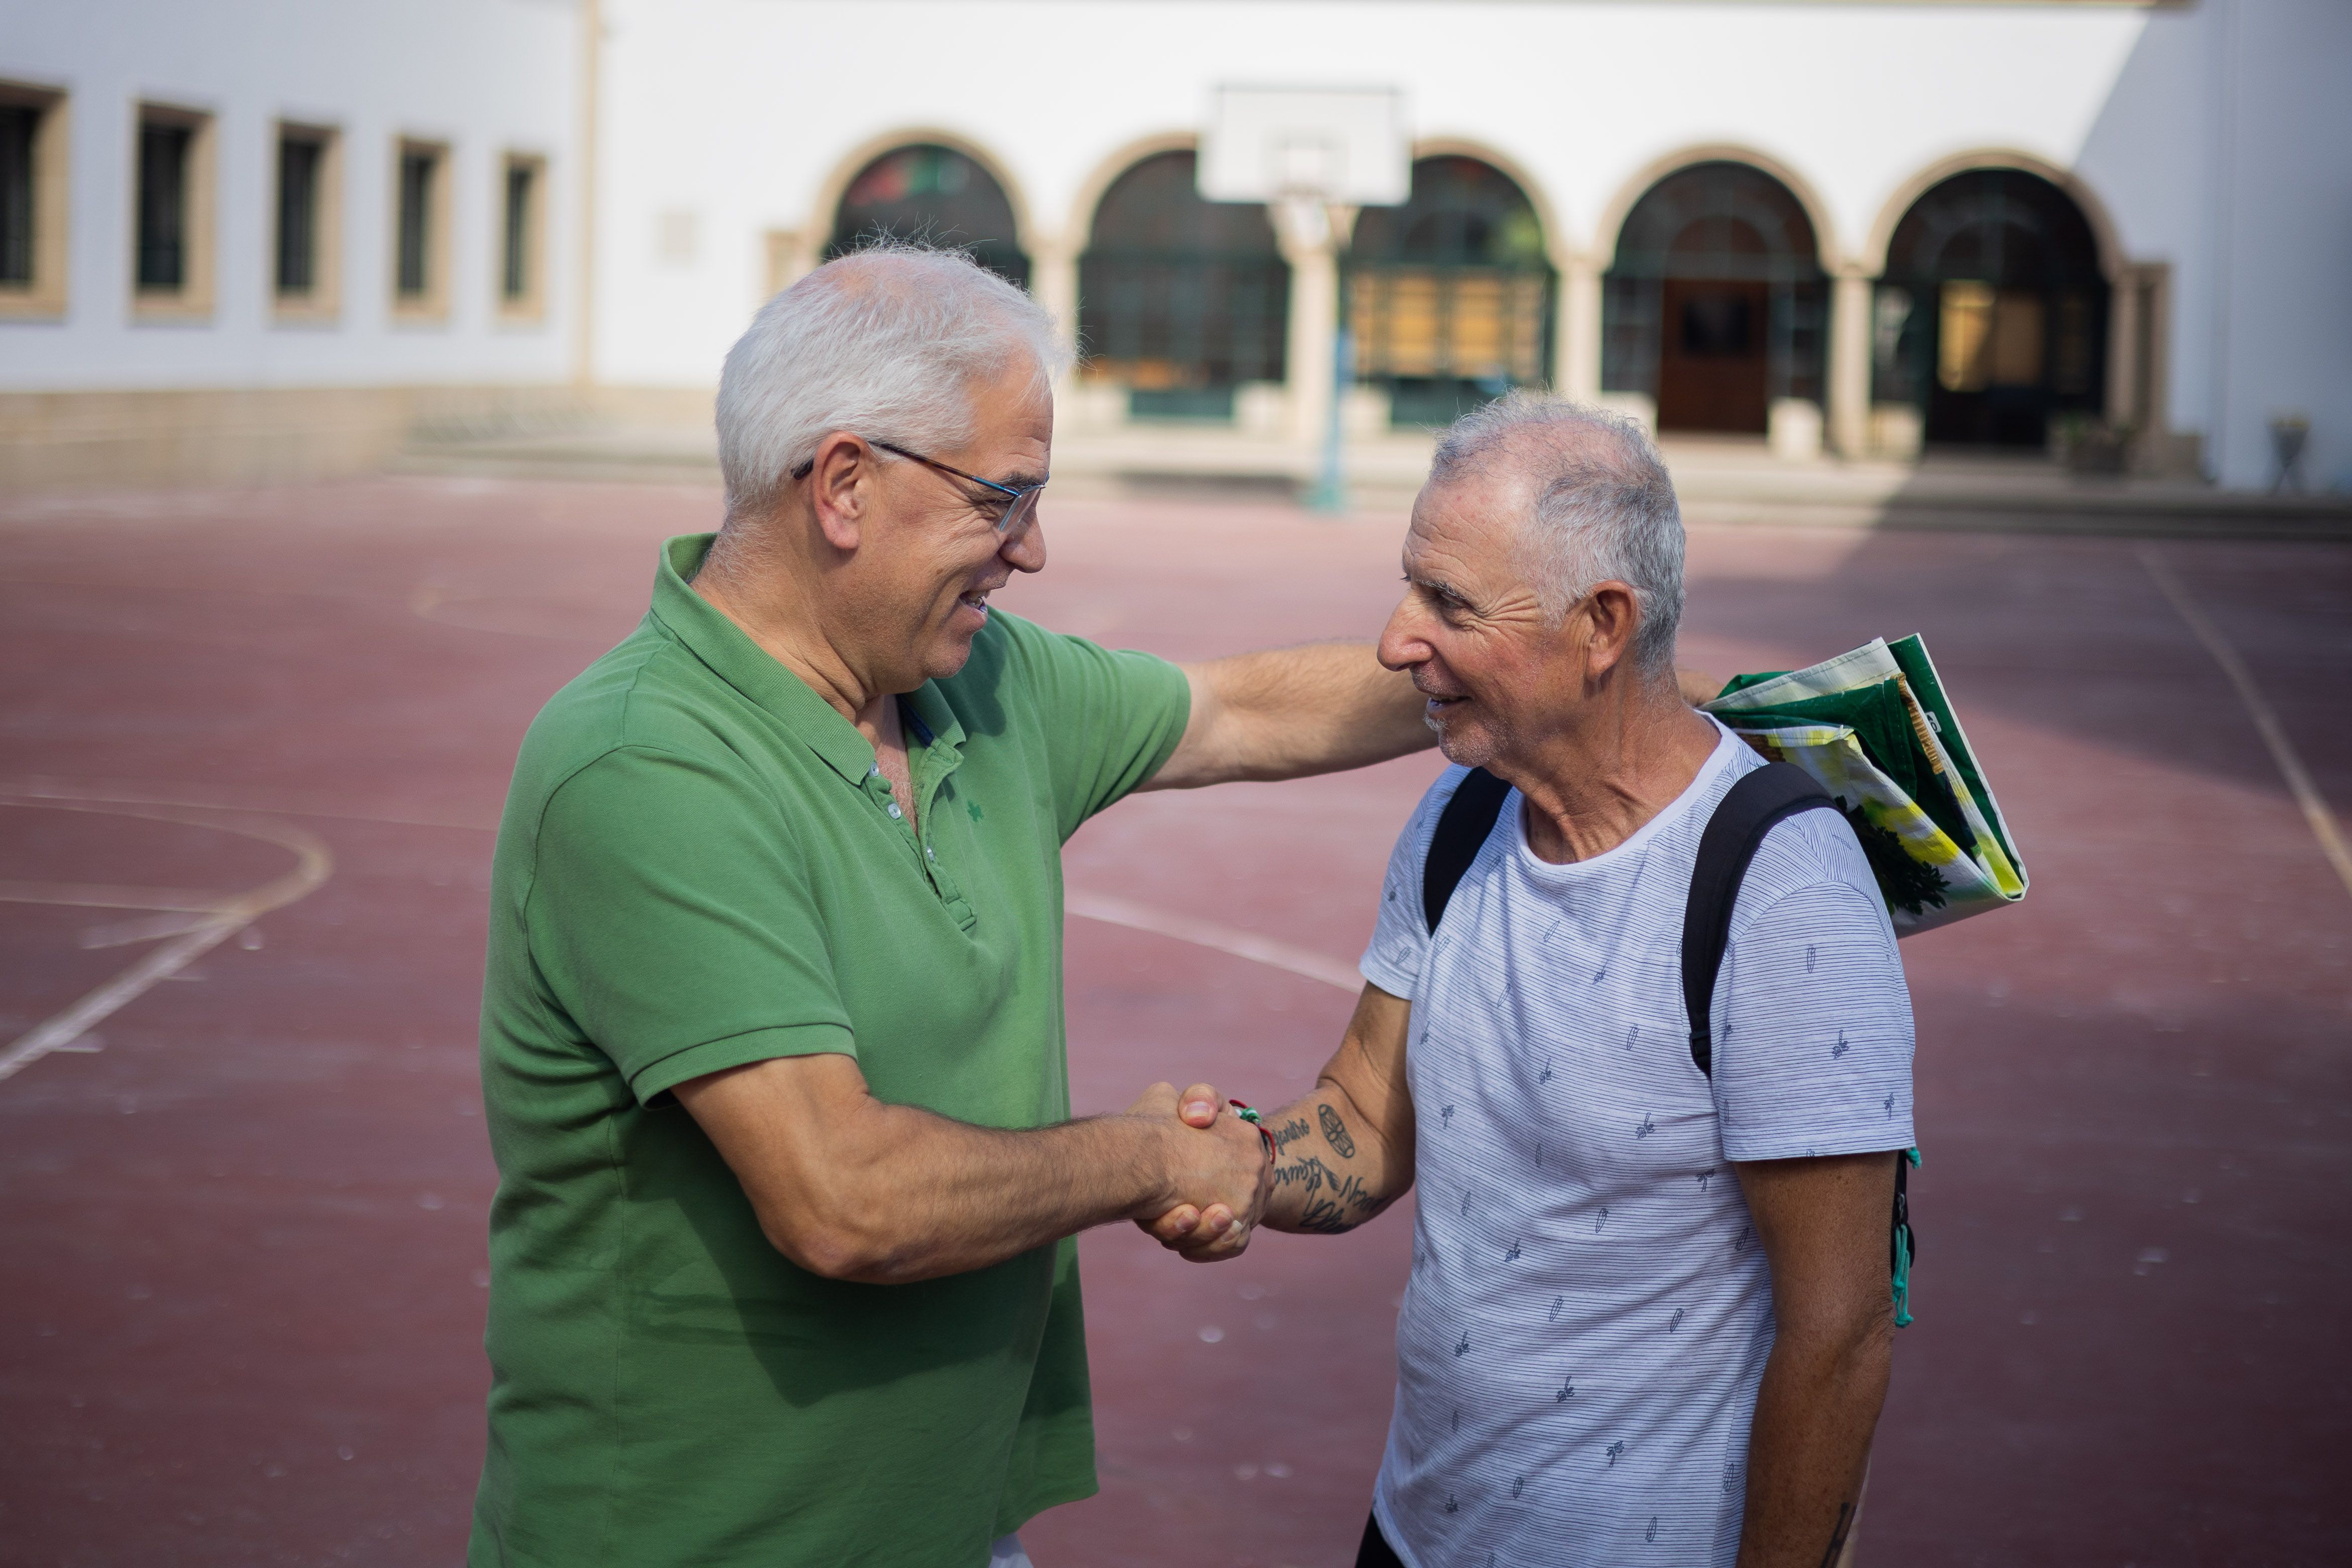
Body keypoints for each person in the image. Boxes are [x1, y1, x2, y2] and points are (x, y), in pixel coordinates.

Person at [466, 245, 1434, 1568]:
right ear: (846, 485)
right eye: (1003, 497)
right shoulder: (648, 763)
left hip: (948, 1525)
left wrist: (1502, 668)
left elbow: (1239, 708)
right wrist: (1151, 1159)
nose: (1031, 550)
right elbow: (841, 1200)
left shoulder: (975, 685)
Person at [1155, 395, 1915, 1567]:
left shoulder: (1776, 885)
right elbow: (1363, 1124)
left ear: (1602, 624)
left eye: (1449, 603)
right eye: (1411, 587)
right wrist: (1228, 1166)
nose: (1394, 640)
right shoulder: (1464, 813)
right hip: (1414, 1538)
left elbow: (1839, 1332)